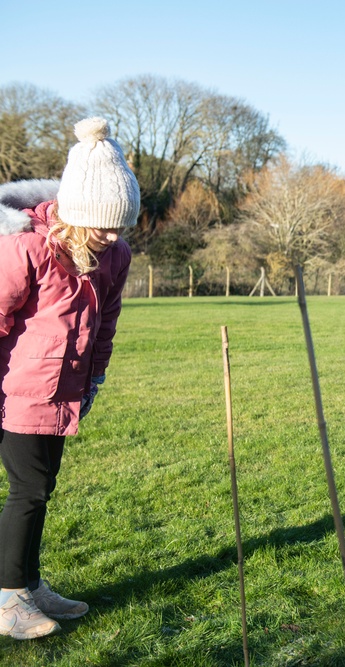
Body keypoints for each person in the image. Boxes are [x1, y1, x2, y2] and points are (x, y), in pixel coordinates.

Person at [0, 117, 138, 639]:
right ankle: (9, 600)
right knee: (29, 490)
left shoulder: (114, 257)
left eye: (121, 224)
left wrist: (94, 380)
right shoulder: (27, 248)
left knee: (39, 487)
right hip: (14, 390)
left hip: (60, 392)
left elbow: (105, 325)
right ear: (75, 212)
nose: (112, 235)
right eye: (103, 223)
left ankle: (28, 584)